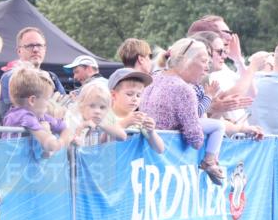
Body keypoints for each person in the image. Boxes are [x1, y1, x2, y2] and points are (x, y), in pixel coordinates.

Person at [140, 38, 228, 185]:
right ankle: (210, 162)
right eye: (204, 61)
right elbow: (196, 141)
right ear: (187, 60)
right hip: (165, 165)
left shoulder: (154, 77)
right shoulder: (184, 89)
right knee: (218, 126)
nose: (207, 68)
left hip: (147, 158)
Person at [1, 68, 74, 155]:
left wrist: (65, 135)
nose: (48, 104)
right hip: (13, 165)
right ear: (32, 100)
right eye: (47, 99)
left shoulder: (39, 115)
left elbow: (64, 127)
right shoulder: (23, 116)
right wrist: (61, 142)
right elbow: (51, 145)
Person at [0, 27, 66, 108]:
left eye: (39, 45)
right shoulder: (10, 78)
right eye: (30, 46)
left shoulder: (52, 78)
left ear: (45, 49)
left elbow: (65, 108)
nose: (35, 49)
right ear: (19, 51)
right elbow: (8, 115)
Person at [108, 68, 164, 153]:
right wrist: (125, 123)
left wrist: (151, 132)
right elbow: (102, 143)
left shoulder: (139, 119)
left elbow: (159, 149)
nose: (135, 99)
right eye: (129, 94)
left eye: (138, 95)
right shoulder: (105, 116)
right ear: (113, 95)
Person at [68, 80, 128, 147]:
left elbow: (123, 136)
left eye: (102, 107)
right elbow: (73, 143)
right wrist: (81, 127)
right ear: (81, 106)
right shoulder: (74, 119)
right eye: (92, 106)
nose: (97, 111)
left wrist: (101, 125)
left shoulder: (105, 120)